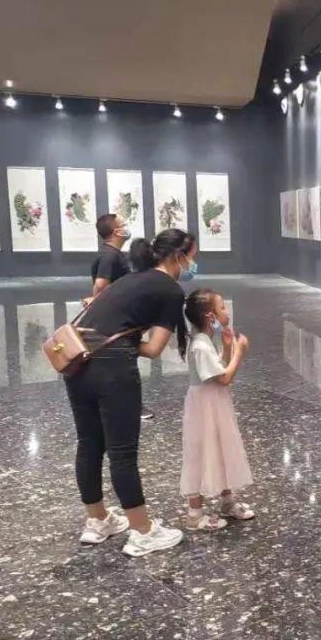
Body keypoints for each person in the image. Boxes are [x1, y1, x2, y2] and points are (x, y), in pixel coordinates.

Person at [65, 228, 198, 557]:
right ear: (178, 257)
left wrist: (112, 340)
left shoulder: (129, 279)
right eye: (192, 257)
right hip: (113, 371)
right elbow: (153, 349)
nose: (193, 264)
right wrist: (123, 344)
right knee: (122, 452)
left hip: (77, 362)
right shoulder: (170, 290)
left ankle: (97, 521)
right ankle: (142, 531)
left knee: (89, 444)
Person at [179, 288, 255, 529]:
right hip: (205, 408)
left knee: (221, 448)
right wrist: (239, 353)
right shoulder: (200, 346)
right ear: (210, 316)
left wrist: (227, 347)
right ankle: (194, 514)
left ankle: (227, 501)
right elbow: (223, 378)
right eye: (222, 307)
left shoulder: (204, 342)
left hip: (214, 405)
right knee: (200, 453)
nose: (226, 311)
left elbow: (218, 369)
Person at [88, 214, 155, 421]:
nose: (126, 227)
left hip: (115, 318)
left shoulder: (113, 254)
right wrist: (99, 304)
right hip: (116, 321)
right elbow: (101, 285)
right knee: (124, 364)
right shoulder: (110, 256)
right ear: (116, 232)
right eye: (122, 225)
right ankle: (133, 407)